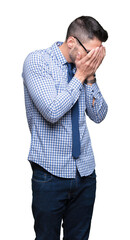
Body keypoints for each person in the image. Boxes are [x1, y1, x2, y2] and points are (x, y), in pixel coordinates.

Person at [22, 15, 108, 240]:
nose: (93, 59)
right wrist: (80, 76)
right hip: (50, 174)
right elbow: (52, 112)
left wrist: (90, 78)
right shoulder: (38, 62)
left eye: (98, 54)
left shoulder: (84, 70)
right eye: (91, 52)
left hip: (85, 173)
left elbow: (99, 115)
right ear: (71, 42)